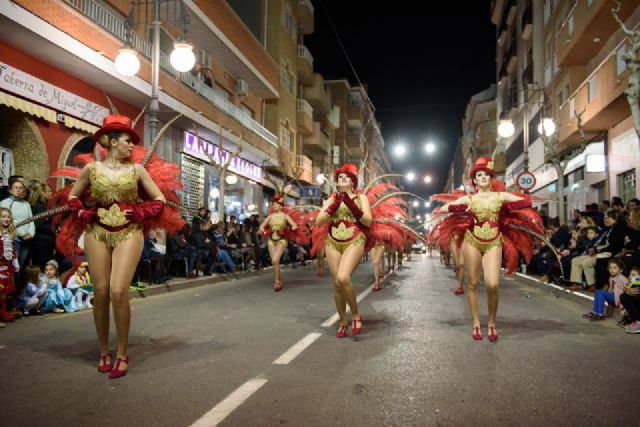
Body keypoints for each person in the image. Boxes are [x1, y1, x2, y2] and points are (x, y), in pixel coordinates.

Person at [63, 114, 174, 378]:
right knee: (100, 291)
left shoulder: (137, 170)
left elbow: (159, 198)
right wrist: (82, 214)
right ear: (112, 142)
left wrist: (142, 213)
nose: (131, 146)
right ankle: (104, 351)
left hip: (129, 232)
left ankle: (122, 354)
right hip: (96, 231)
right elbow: (73, 195)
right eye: (127, 140)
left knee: (118, 290)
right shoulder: (92, 170)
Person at [440, 157, 542, 341]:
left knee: (492, 284)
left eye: (486, 174)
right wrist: (458, 207)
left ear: (491, 178)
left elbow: (525, 201)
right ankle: (476, 323)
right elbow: (444, 208)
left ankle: (492, 323)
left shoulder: (500, 197)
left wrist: (514, 204)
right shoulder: (468, 198)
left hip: (494, 242)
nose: (483, 177)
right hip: (472, 241)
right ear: (474, 180)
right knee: (472, 283)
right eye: (479, 175)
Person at [315, 164, 372, 337]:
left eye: (347, 176)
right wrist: (332, 207)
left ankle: (355, 315)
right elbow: (319, 222)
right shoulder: (331, 198)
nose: (343, 178)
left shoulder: (361, 198)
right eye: (340, 177)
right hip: (333, 241)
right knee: (337, 284)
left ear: (353, 181)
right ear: (338, 183)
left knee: (343, 277)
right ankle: (342, 321)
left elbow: (368, 221)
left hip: (354, 239)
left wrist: (351, 205)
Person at [258, 194, 303, 291]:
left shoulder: (285, 216)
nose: (274, 205)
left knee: (275, 259)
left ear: (281, 205)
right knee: (275, 262)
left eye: (277, 204)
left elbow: (294, 226)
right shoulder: (270, 216)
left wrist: (287, 229)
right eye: (273, 203)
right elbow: (261, 226)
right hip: (271, 240)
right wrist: (264, 230)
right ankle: (277, 281)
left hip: (282, 240)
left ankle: (277, 281)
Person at [0, 179, 35, 273]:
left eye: (21, 188)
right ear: (10, 190)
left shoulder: (26, 204)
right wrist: (21, 233)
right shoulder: (5, 203)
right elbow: (8, 221)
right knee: (12, 265)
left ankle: (17, 287)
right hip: (13, 238)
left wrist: (30, 233)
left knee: (21, 265)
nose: (19, 190)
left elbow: (31, 220)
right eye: (16, 187)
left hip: (26, 239)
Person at [28, 182, 55, 270]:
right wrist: (53, 230)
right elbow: (40, 224)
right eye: (48, 191)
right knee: (42, 265)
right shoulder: (39, 207)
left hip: (45, 240)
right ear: (42, 193)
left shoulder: (45, 205)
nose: (51, 193)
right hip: (42, 241)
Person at [0, 207, 19, 324]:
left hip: (7, 266)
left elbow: (11, 251)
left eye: (8, 217)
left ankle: (3, 312)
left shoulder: (10, 233)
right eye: (3, 216)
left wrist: (15, 262)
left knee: (4, 293)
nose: (6, 219)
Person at [621, 266, 640, 333]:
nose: (630, 276)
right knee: (623, 296)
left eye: (633, 275)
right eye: (630, 274)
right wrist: (628, 290)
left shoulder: (637, 282)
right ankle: (635, 321)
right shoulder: (631, 284)